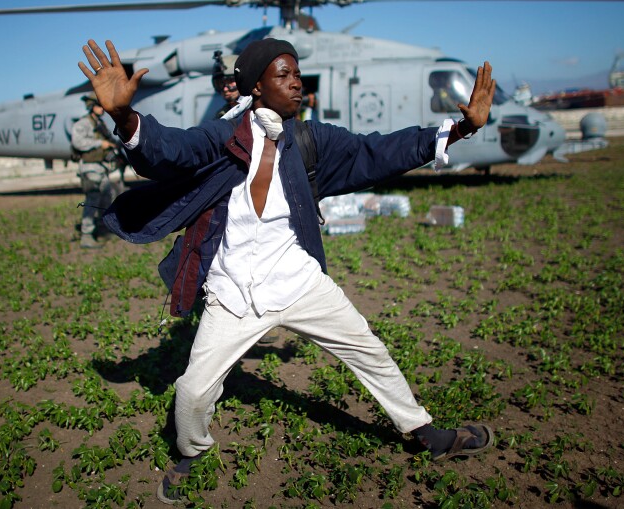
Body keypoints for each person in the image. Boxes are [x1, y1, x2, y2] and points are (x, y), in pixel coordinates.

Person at [78, 38, 496, 504]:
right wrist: (124, 117)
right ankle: (194, 451)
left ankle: (424, 431)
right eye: (283, 74)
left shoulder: (311, 140)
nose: (296, 82)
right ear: (256, 87)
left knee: (370, 352)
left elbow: (380, 151)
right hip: (234, 292)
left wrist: (460, 129)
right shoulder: (223, 137)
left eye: (297, 74)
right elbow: (170, 150)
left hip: (299, 282)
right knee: (192, 393)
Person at [70, 95, 124, 248]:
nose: (102, 109)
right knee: (92, 199)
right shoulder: (83, 123)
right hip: (89, 167)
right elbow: (78, 142)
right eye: (99, 106)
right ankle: (86, 235)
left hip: (101, 166)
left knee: (107, 196)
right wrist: (101, 143)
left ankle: (102, 228)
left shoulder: (99, 123)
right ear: (92, 106)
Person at [211, 51, 240, 119]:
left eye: (231, 82)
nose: (225, 89)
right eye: (221, 84)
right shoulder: (222, 115)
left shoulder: (255, 112)